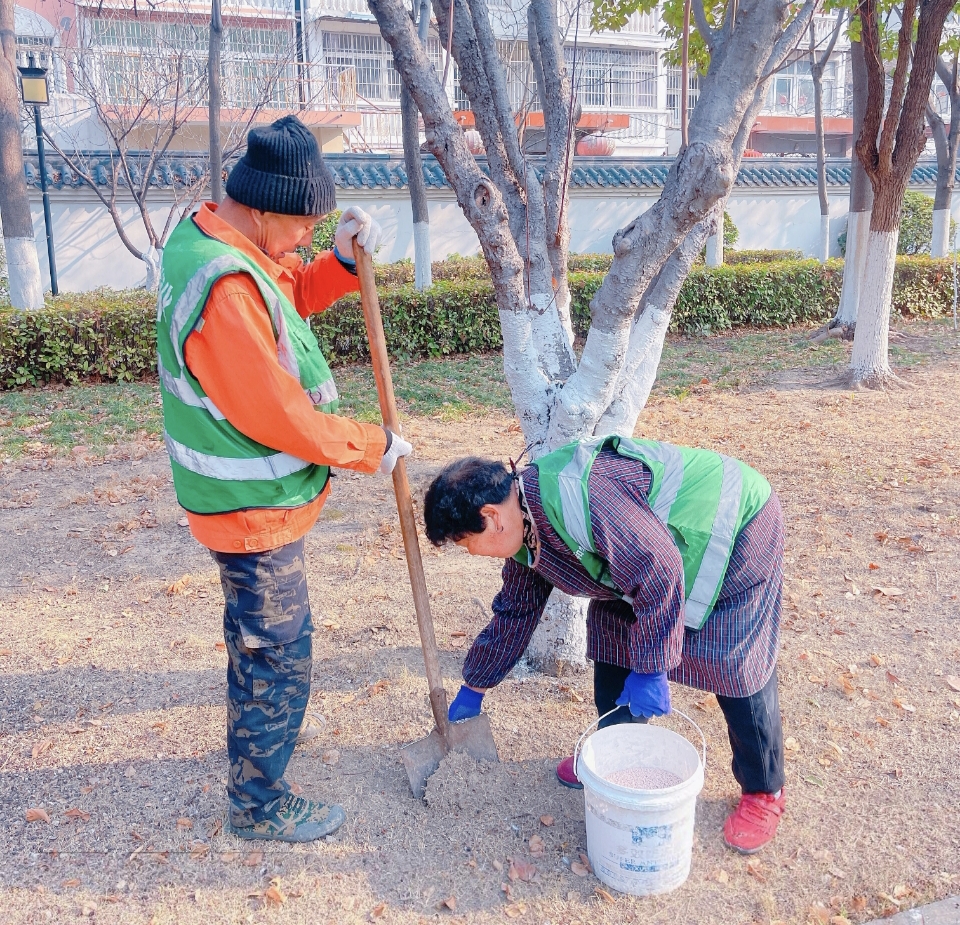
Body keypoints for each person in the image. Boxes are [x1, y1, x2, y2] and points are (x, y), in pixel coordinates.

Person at [157, 115, 412, 843]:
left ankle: (252, 776)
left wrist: (333, 261)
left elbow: (287, 294)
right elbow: (281, 415)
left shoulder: (215, 241)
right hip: (250, 509)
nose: (304, 238)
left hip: (244, 503)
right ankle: (259, 803)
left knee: (256, 639)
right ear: (264, 208)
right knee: (279, 651)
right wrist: (370, 445)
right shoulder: (224, 289)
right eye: (303, 225)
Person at [423, 435, 786, 855]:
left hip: (734, 525)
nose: (470, 554)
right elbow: (515, 613)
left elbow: (659, 569)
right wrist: (475, 687)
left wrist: (651, 670)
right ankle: (615, 754)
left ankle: (764, 791)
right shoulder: (525, 526)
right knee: (614, 631)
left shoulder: (585, 496)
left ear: (491, 517)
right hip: (657, 554)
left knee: (734, 660)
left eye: (466, 543)